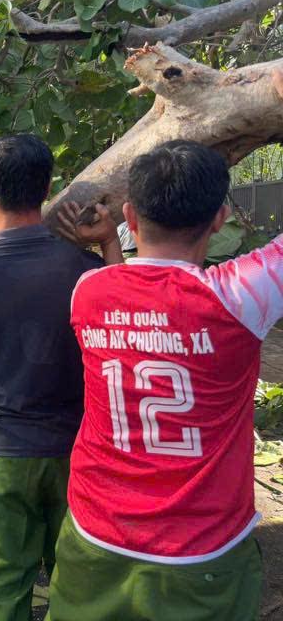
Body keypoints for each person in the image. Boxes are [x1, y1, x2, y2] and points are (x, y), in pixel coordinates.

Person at [47, 141, 283, 621]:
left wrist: (109, 244)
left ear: (130, 216)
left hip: (94, 533)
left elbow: (133, 304)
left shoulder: (87, 292)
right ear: (219, 220)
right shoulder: (239, 295)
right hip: (201, 551)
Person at [0, 134, 123, 621]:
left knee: (2, 591)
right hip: (76, 452)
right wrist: (108, 242)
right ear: (47, 190)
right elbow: (122, 322)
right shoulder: (85, 268)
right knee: (79, 586)